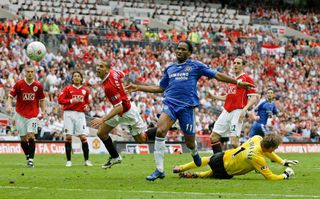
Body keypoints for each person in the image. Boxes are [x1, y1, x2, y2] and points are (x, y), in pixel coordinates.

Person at [126, 40, 255, 181]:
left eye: (183, 49)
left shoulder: (196, 66)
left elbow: (217, 75)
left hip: (187, 108)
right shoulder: (170, 69)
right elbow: (160, 88)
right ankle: (159, 170)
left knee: (190, 142)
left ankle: (194, 152)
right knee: (160, 131)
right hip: (170, 104)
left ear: (189, 53)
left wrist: (236, 82)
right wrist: (139, 87)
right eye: (178, 48)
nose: (179, 51)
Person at [91, 61, 157, 169]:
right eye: (97, 66)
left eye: (101, 66)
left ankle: (166, 126)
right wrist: (122, 89)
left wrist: (103, 119)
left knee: (141, 140)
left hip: (127, 113)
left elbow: (119, 107)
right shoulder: (114, 72)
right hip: (118, 111)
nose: (98, 68)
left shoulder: (109, 87)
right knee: (101, 133)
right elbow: (122, 74)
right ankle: (115, 157)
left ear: (107, 69)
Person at [173, 134, 299, 180]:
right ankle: (197, 175)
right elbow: (270, 177)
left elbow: (266, 152)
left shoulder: (257, 138)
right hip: (226, 171)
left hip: (224, 155)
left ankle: (181, 167)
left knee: (205, 160)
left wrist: (282, 161)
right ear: (271, 147)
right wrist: (285, 175)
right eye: (275, 148)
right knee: (209, 174)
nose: (275, 150)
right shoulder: (257, 158)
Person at [208, 57, 258, 154]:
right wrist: (213, 96)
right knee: (213, 137)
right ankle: (219, 163)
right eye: (234, 63)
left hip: (237, 111)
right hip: (226, 110)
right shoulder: (232, 80)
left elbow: (253, 98)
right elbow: (228, 97)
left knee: (234, 143)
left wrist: (244, 110)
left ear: (243, 65)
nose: (235, 64)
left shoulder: (247, 78)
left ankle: (248, 158)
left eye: (238, 63)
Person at [6, 65, 46, 167]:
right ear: (25, 72)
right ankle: (28, 156)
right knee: (23, 139)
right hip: (20, 114)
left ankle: (31, 160)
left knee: (31, 136)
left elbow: (42, 100)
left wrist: (43, 111)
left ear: (34, 73)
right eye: (28, 71)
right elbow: (10, 96)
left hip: (33, 115)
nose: (30, 73)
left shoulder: (38, 85)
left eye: (32, 72)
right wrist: (9, 105)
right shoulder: (19, 84)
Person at [58, 71, 93, 167]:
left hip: (80, 115)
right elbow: (60, 100)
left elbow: (86, 103)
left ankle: (86, 160)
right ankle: (69, 161)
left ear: (81, 78)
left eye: (78, 76)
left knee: (83, 137)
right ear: (72, 79)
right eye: (74, 76)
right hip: (68, 114)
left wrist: (86, 107)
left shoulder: (85, 90)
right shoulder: (67, 89)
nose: (76, 77)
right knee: (68, 137)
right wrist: (70, 100)